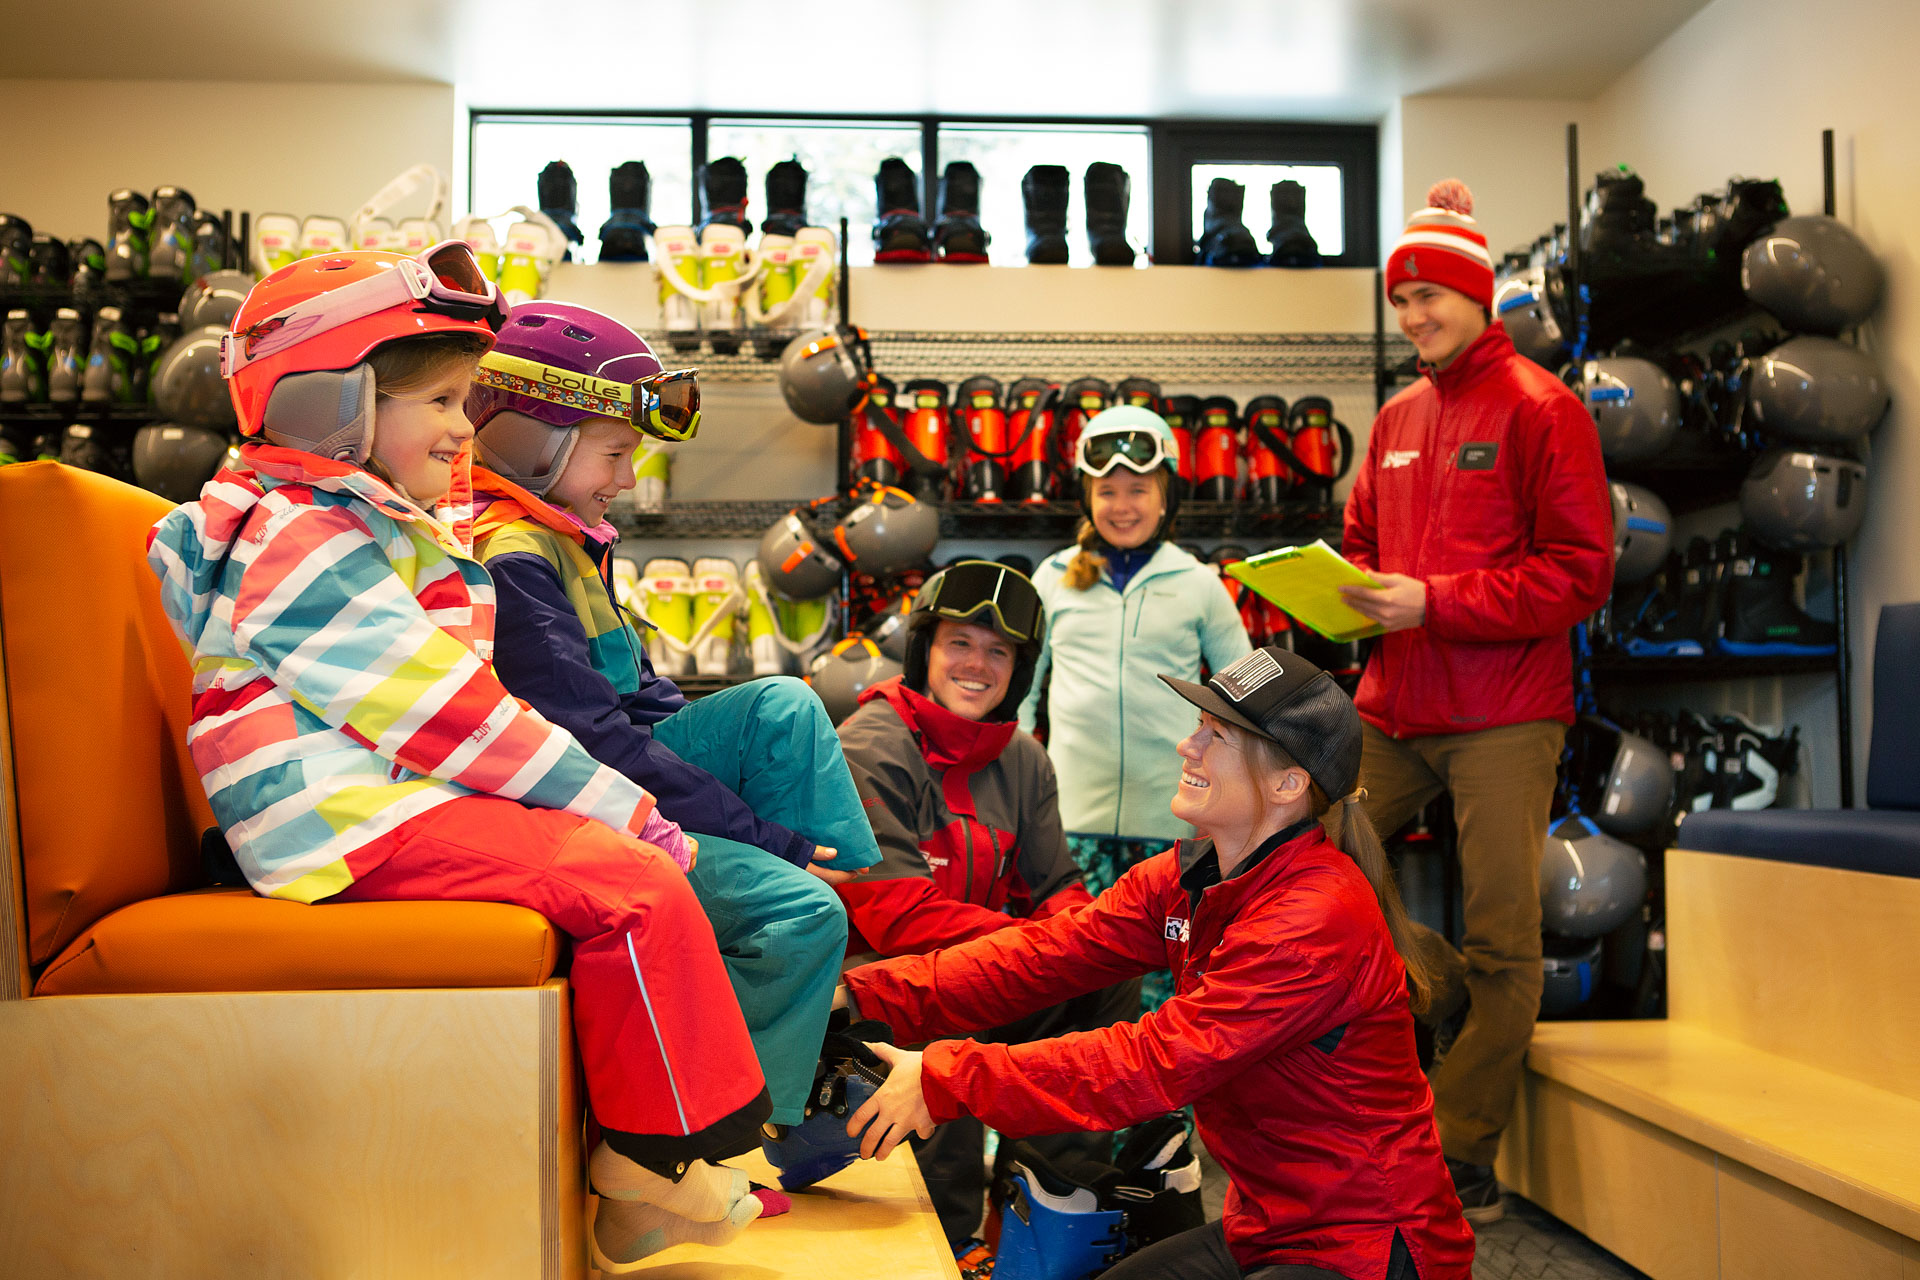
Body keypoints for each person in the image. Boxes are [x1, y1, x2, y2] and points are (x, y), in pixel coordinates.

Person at [144, 246, 770, 1273]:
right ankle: (648, 1163)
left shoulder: (350, 523)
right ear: (327, 404)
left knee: (617, 865)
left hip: (372, 808)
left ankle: (645, 1158)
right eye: (439, 400)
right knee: (631, 883)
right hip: (340, 824)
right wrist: (624, 808)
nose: (463, 426)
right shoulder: (299, 538)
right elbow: (453, 717)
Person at [839, 645, 1475, 1280]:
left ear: (1289, 784)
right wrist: (857, 996)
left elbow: (1153, 1062)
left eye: (1218, 736)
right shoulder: (1190, 876)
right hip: (1268, 1228)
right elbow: (1044, 953)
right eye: (1199, 725)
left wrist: (947, 1080)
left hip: (1370, 1244)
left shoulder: (1315, 914)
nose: (1187, 747)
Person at [463, 301, 883, 1172]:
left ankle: (832, 979)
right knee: (802, 910)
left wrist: (760, 834)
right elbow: (599, 750)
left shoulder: (562, 535)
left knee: (784, 707)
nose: (627, 476)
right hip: (576, 804)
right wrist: (770, 844)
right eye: (614, 454)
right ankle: (746, 1132)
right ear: (532, 442)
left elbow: (642, 700)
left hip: (614, 769)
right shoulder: (515, 560)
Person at [1336, 180, 1614, 1223]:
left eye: (1429, 296)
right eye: (1401, 300)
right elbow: (1363, 543)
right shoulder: (1397, 418)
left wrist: (1434, 600)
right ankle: (1442, 986)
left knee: (1507, 934)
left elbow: (1580, 574)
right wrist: (1347, 588)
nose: (1413, 317)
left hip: (1506, 713)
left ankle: (1461, 1146)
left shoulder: (1545, 408)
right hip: (1396, 704)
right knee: (1310, 855)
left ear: (1476, 295)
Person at [834, 559, 1140, 1267]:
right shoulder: (869, 745)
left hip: (973, 969)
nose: (977, 665)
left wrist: (1080, 950)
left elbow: (1058, 883)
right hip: (867, 984)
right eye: (960, 644)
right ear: (925, 651)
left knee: (1104, 985)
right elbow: (898, 915)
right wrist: (1046, 949)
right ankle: (948, 1240)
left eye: (998, 651)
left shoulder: (1024, 760)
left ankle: (1051, 1209)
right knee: (951, 1001)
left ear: (1020, 670)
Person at [1019, 406, 1252, 1003]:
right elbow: (1020, 692)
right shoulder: (1052, 578)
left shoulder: (1199, 583)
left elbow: (1247, 695)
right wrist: (1015, 793)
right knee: (1074, 976)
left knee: (1166, 985)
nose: (1122, 506)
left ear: (1165, 495)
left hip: (1175, 827)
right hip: (1070, 826)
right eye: (1107, 492)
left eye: (1138, 490)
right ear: (1086, 497)